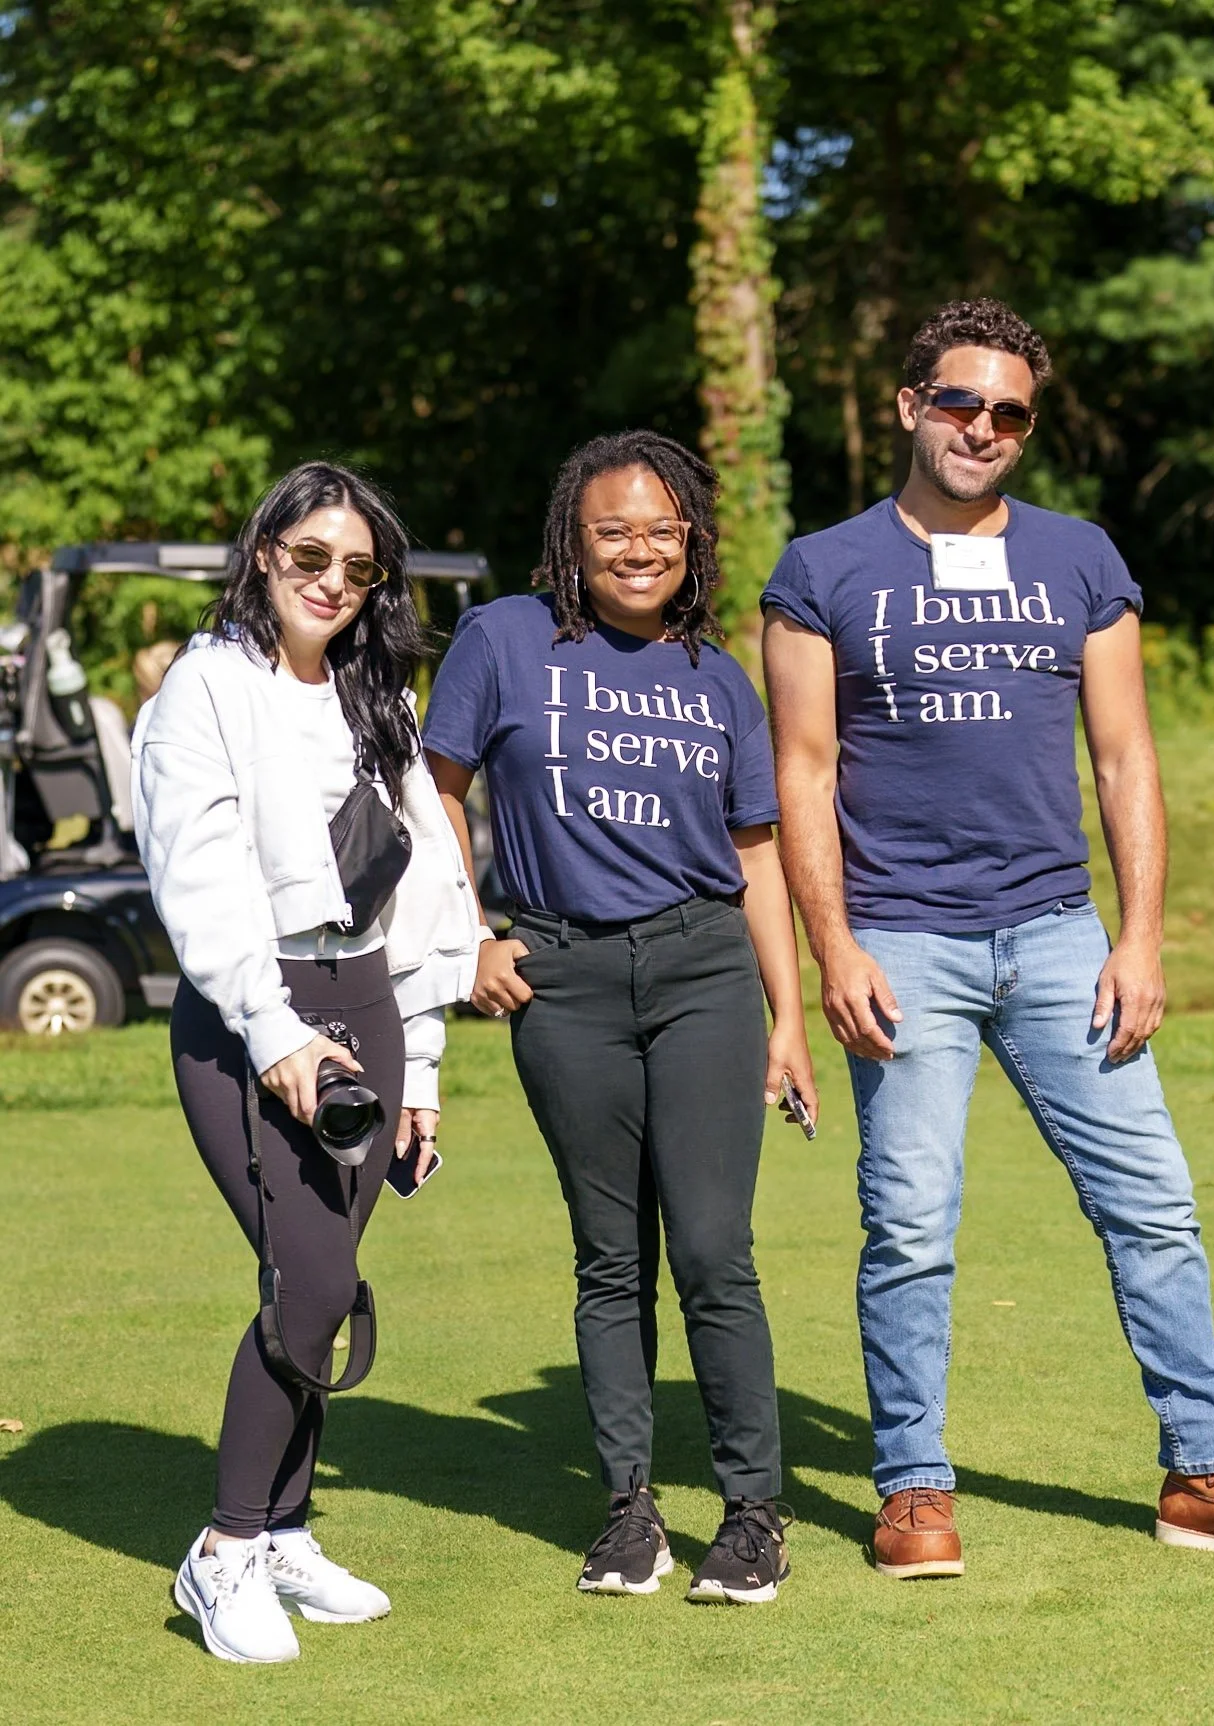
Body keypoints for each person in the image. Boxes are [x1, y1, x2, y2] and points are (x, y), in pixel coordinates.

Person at [762, 299, 1214, 1579]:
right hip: (902, 941)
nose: (981, 427)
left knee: (1154, 1207)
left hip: (1060, 936)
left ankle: (1206, 1469)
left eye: (1007, 411)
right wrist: (832, 949)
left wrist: (1139, 938)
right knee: (908, 1222)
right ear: (908, 406)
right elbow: (800, 773)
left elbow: (1123, 755)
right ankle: (911, 1486)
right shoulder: (821, 570)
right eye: (958, 402)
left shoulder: (1079, 559)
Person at [423, 431, 817, 1604]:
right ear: (572, 541)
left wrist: (785, 1016)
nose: (638, 549)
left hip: (703, 971)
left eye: (661, 529)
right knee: (609, 1260)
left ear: (689, 538)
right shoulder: (503, 638)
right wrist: (468, 936)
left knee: (710, 1250)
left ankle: (752, 1515)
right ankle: (629, 1511)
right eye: (612, 531)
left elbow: (756, 853)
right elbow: (434, 787)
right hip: (565, 975)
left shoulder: (719, 677)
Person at [133, 462, 487, 1662]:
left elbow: (427, 882)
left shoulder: (371, 694)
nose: (332, 582)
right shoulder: (204, 688)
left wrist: (422, 1063)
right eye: (309, 558)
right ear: (263, 553)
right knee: (314, 1285)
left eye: (357, 566)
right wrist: (277, 1032)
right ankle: (224, 1552)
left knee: (317, 1280)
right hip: (254, 1013)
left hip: (371, 1000)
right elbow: (201, 876)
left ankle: (283, 1531)